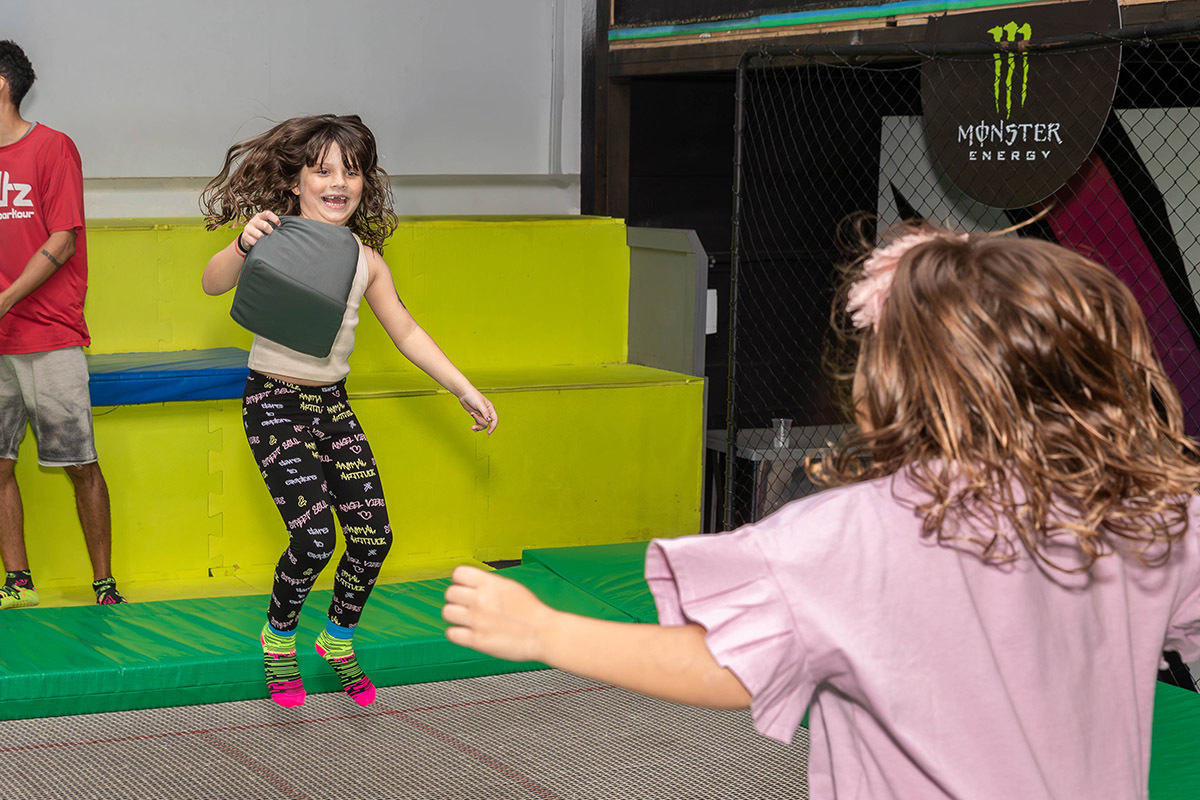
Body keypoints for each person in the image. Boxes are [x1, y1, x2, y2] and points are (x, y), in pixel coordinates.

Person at [443, 225, 1200, 798]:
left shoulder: (852, 537)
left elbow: (723, 665)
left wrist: (546, 630)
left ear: (899, 380)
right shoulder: (1153, 512)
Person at [201, 114, 498, 709]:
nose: (339, 182)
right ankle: (278, 637)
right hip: (274, 402)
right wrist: (240, 242)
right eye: (323, 171)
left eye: (352, 172)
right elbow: (212, 283)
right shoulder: (273, 233)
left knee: (372, 536)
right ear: (295, 183)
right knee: (312, 538)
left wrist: (462, 386)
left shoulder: (366, 261)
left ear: (366, 184)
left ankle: (336, 638)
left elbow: (407, 331)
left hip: (330, 406)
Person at [0, 40, 125, 609]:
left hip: (49, 336)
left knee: (79, 464)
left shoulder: (53, 148)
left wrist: (3, 301)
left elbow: (63, 238)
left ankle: (104, 584)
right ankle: (18, 584)